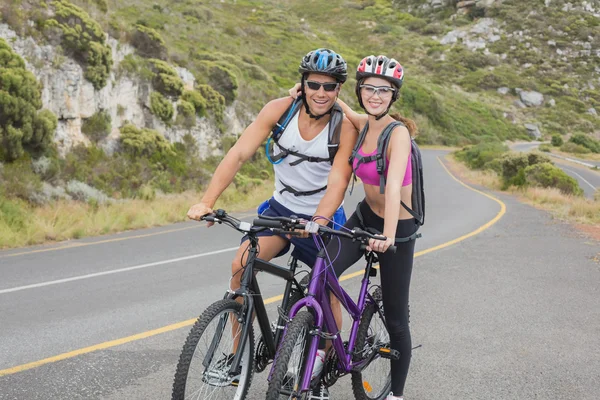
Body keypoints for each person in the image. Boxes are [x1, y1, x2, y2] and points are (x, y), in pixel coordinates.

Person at [187, 48, 357, 399]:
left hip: (320, 219)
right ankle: (238, 355)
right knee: (240, 264)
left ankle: (324, 358)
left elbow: (338, 184)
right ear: (303, 83)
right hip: (279, 210)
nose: (321, 93)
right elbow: (237, 154)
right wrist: (207, 201)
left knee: (326, 291)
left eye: (330, 86)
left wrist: (315, 222)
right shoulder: (279, 111)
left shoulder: (345, 127)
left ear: (339, 89)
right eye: (314, 85)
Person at [292, 55, 418, 400]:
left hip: (397, 228)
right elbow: (337, 104)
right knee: (324, 270)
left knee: (396, 318)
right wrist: (299, 92)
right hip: (364, 217)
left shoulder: (398, 133)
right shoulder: (362, 123)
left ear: (394, 96)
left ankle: (396, 395)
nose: (375, 95)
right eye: (369, 89)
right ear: (361, 90)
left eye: (384, 90)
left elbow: (393, 188)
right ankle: (321, 357)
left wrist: (388, 235)